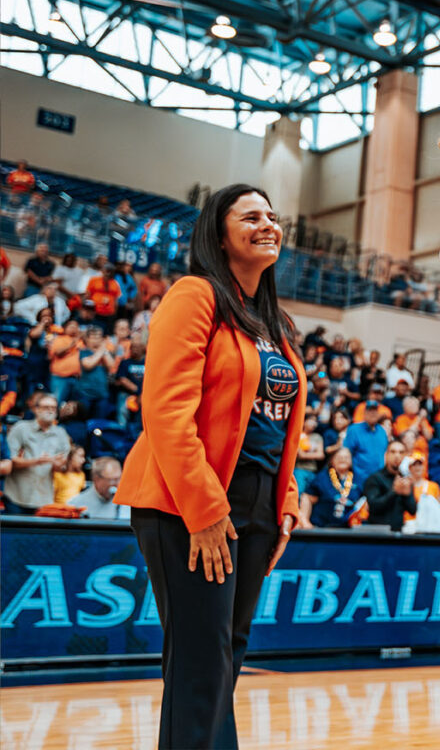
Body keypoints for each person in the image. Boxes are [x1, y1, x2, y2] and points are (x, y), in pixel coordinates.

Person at [114, 183, 305, 749]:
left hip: (257, 504)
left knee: (225, 660)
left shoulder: (275, 322)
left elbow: (277, 425)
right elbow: (166, 412)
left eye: (272, 216)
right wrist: (204, 511)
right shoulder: (194, 295)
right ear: (219, 236)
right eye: (250, 217)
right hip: (191, 500)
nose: (268, 224)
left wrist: (285, 502)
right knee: (201, 664)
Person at [4, 392, 70, 513]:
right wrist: (37, 461)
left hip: (44, 498)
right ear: (36, 409)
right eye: (46, 407)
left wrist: (58, 464)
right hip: (16, 495)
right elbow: (9, 461)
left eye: (53, 408)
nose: (50, 411)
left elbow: (62, 467)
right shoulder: (21, 428)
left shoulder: (61, 433)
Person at [298, 446, 362, 529]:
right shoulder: (322, 477)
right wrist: (305, 521)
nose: (343, 459)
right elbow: (307, 497)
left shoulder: (358, 479)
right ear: (332, 460)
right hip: (321, 529)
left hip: (349, 530)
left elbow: (363, 503)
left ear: (351, 460)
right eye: (339, 457)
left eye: (346, 457)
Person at [362, 439, 419, 530]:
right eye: (393, 452)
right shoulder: (375, 478)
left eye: (401, 452)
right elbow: (373, 506)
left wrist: (407, 496)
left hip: (398, 533)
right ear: (386, 455)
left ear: (405, 456)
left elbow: (412, 511)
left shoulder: (405, 479)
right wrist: (394, 492)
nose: (397, 456)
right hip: (376, 533)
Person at [69, 456, 130, 520]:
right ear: (96, 479)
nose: (117, 484)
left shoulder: (127, 503)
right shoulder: (76, 505)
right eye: (112, 480)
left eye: (119, 479)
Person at [76, 326, 117, 419]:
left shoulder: (105, 353)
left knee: (99, 422)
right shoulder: (83, 352)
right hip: (85, 393)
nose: (96, 340)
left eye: (99, 337)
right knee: (83, 420)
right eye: (93, 337)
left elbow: (112, 367)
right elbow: (88, 365)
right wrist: (102, 350)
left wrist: (104, 351)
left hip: (102, 394)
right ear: (87, 339)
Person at [342, 399, 388, 480]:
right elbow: (346, 454)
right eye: (369, 410)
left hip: (379, 479)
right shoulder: (354, 430)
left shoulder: (382, 431)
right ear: (364, 414)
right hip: (359, 479)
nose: (373, 413)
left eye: (375, 411)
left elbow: (385, 454)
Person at [47, 318, 83, 403]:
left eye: (76, 326)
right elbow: (58, 352)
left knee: (73, 405)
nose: (74, 328)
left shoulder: (82, 341)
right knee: (57, 402)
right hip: (60, 378)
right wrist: (72, 344)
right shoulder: (59, 339)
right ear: (65, 328)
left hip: (77, 378)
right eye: (71, 326)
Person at [114, 339, 146, 431]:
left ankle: (138, 433)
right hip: (127, 394)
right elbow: (122, 379)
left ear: (143, 349)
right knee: (122, 410)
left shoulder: (148, 362)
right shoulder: (125, 363)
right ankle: (121, 431)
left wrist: (141, 394)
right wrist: (137, 391)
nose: (135, 350)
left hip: (144, 395)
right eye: (133, 347)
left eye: (138, 347)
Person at [85, 264, 122, 332]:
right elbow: (87, 296)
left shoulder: (115, 283)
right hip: (95, 313)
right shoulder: (94, 280)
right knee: (94, 331)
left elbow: (116, 300)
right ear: (102, 271)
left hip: (109, 315)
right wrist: (88, 311)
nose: (108, 273)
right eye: (107, 271)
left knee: (107, 332)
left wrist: (114, 314)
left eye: (111, 271)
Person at [293, 414, 325, 492]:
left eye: (315, 421)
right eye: (311, 420)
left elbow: (321, 455)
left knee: (309, 494)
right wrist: (314, 454)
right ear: (304, 421)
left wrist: (305, 455)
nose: (314, 423)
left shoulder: (317, 437)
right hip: (299, 469)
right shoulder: (297, 434)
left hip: (313, 470)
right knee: (298, 492)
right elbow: (300, 455)